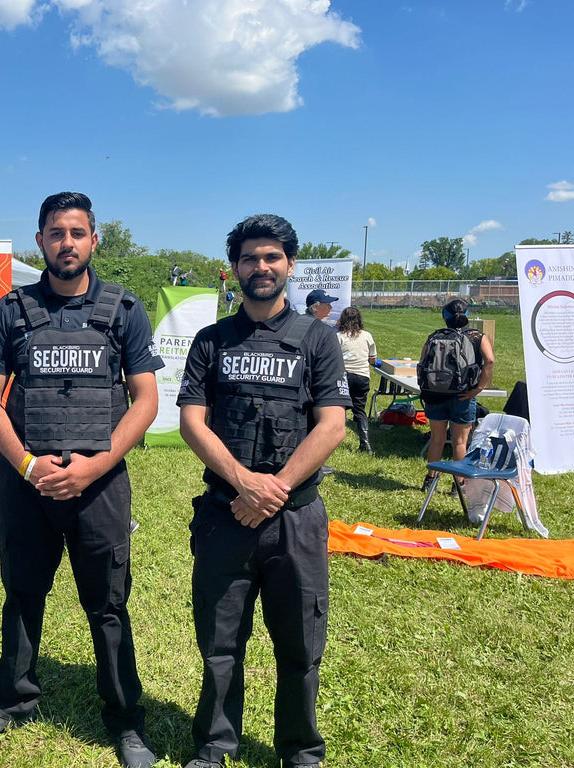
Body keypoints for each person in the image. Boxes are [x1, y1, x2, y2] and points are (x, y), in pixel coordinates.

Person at [0, 192, 163, 768]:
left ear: (94, 240)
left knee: (107, 604)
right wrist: (28, 465)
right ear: (40, 241)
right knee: (23, 593)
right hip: (27, 482)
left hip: (99, 484)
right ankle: (12, 699)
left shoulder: (124, 310)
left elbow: (145, 401)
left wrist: (93, 467)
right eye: (56, 233)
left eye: (77, 232)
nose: (66, 243)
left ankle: (125, 720)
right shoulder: (13, 309)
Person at [176, 214, 349, 768]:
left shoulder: (317, 338)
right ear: (235, 268)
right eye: (250, 258)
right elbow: (192, 423)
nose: (261, 267)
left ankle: (301, 750)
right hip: (226, 515)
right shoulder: (211, 341)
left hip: (295, 520)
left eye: (272, 257)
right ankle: (214, 744)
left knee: (300, 648)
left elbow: (332, 425)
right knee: (220, 643)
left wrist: (274, 488)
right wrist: (244, 483)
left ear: (290, 265)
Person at [419, 298, 495, 495]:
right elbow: (490, 360)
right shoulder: (477, 336)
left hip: (435, 393)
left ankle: (430, 481)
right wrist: (479, 387)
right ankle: (458, 485)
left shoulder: (435, 336)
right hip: (463, 394)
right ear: (467, 316)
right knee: (460, 442)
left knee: (437, 438)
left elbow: (422, 362)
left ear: (444, 317)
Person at [336, 306, 377, 453]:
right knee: (359, 410)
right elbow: (372, 360)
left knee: (340, 409)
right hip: (362, 376)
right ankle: (365, 444)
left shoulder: (339, 337)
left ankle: (334, 441)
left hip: (344, 375)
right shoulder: (367, 336)